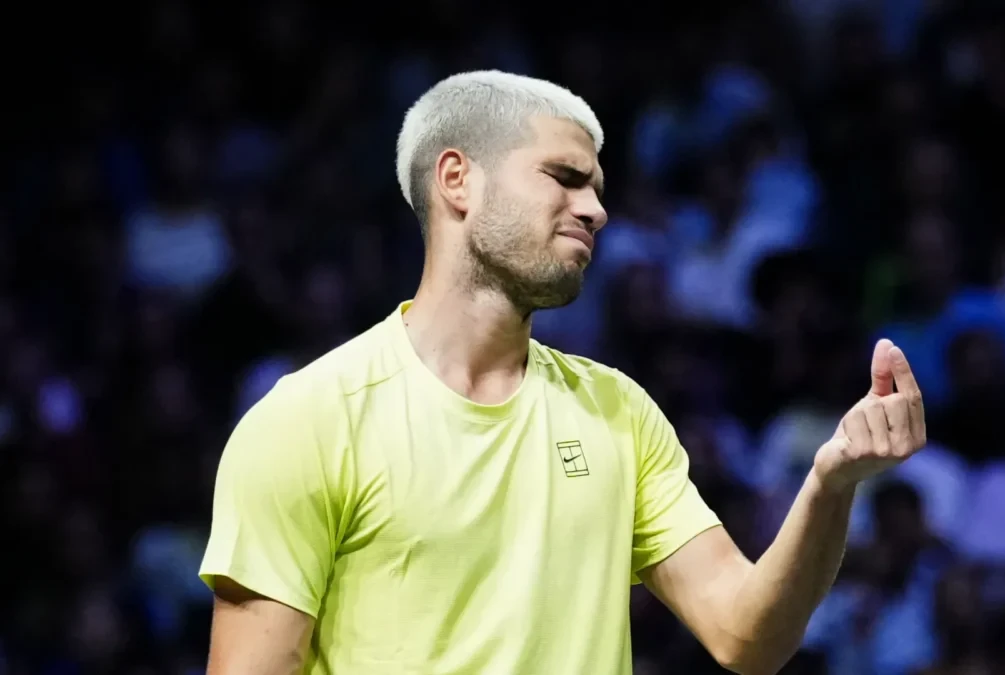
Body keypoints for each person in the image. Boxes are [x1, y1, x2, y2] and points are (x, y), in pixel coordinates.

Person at [199, 70, 927, 675]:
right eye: (564, 178)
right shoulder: (308, 420)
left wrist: (831, 485)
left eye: (599, 188)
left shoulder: (618, 412)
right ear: (458, 180)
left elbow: (748, 635)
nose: (597, 209)